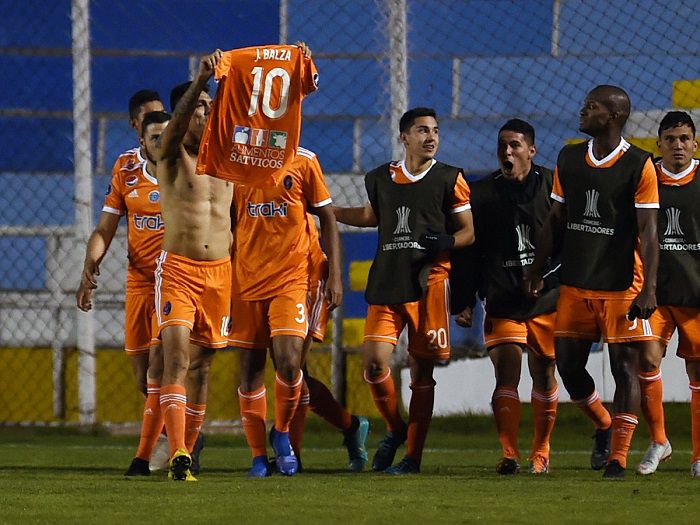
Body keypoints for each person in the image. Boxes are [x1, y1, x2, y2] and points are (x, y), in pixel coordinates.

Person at [525, 85, 661, 478]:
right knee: (567, 364)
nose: (583, 111)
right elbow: (554, 219)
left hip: (620, 284)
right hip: (576, 282)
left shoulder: (639, 165)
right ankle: (603, 423)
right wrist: (537, 267)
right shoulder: (569, 158)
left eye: (592, 106)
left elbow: (649, 232)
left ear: (614, 116)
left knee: (624, 366)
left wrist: (649, 287)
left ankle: (619, 455)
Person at [334, 107, 475, 474]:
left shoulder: (450, 178)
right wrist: (329, 212)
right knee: (375, 363)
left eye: (436, 131)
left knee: (420, 373)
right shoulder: (381, 177)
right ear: (404, 137)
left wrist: (445, 240)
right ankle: (395, 427)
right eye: (423, 130)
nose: (431, 137)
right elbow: (371, 216)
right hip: (388, 280)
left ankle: (412, 457)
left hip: (430, 282)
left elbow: (468, 232)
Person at [452, 119, 559, 475]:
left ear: (531, 150)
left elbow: (570, 243)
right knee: (507, 372)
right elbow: (469, 252)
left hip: (547, 299)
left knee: (543, 374)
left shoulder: (555, 188)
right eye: (502, 146)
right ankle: (510, 453)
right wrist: (463, 299)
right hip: (501, 296)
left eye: (514, 145)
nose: (507, 152)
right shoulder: (481, 194)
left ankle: (541, 451)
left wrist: (546, 277)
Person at [230, 147, 342, 477]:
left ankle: (281, 432)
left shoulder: (304, 159)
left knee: (290, 362)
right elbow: (227, 221)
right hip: (247, 277)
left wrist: (334, 272)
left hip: (292, 277)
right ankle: (257, 458)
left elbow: (327, 216)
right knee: (250, 369)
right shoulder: (237, 160)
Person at [75, 92, 169, 475]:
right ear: (137, 127)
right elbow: (105, 228)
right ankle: (178, 427)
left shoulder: (187, 164)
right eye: (151, 121)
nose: (160, 126)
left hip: (178, 280)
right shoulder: (125, 168)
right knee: (144, 377)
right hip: (140, 282)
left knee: (164, 369)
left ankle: (170, 442)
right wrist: (89, 267)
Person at [155, 50, 233, 482]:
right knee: (179, 359)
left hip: (220, 272)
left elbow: (270, 121)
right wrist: (201, 81)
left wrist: (295, 80)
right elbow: (176, 131)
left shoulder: (227, 158)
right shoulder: (170, 155)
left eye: (209, 107)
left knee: (204, 366)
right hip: (180, 269)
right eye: (199, 107)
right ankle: (179, 451)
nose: (206, 113)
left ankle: (190, 450)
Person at [635, 111, 700, 477]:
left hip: (694, 291)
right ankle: (660, 440)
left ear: (695, 143)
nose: (678, 145)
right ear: (658, 144)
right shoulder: (644, 176)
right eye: (670, 139)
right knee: (646, 360)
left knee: (697, 371)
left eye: (684, 139)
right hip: (652, 292)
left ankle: (699, 456)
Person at [286, 216, 370, 472]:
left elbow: (328, 217)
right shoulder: (244, 178)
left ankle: (291, 456)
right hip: (267, 277)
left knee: (292, 371)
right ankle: (351, 425)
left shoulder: (300, 175)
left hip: (306, 277)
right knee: (291, 372)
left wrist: (335, 275)